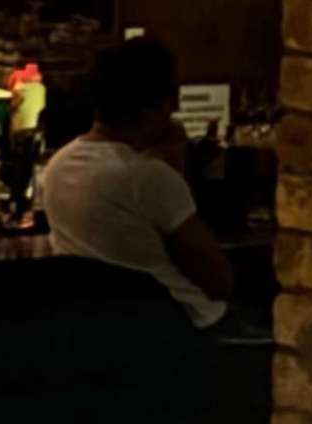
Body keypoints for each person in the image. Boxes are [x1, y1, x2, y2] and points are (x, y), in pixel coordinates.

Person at [37, 35, 235, 331]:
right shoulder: (147, 176)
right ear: (153, 112)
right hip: (184, 326)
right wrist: (175, 163)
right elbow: (219, 281)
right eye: (170, 106)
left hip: (100, 329)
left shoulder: (57, 166)